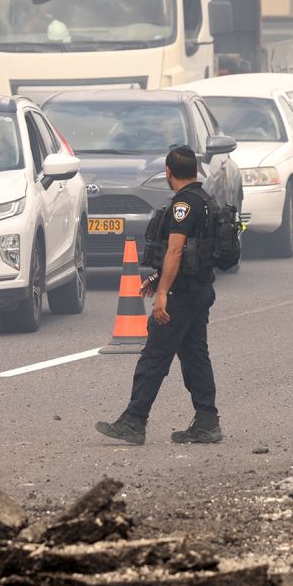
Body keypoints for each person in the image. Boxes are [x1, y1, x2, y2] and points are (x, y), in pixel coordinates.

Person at [96, 146, 221, 445]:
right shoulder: (206, 201)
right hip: (201, 289)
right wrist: (156, 277)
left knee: (154, 356)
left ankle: (134, 421)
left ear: (168, 171)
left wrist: (162, 293)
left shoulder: (183, 206)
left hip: (183, 294)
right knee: (195, 357)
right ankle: (207, 421)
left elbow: (176, 250)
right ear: (195, 170)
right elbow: (193, 254)